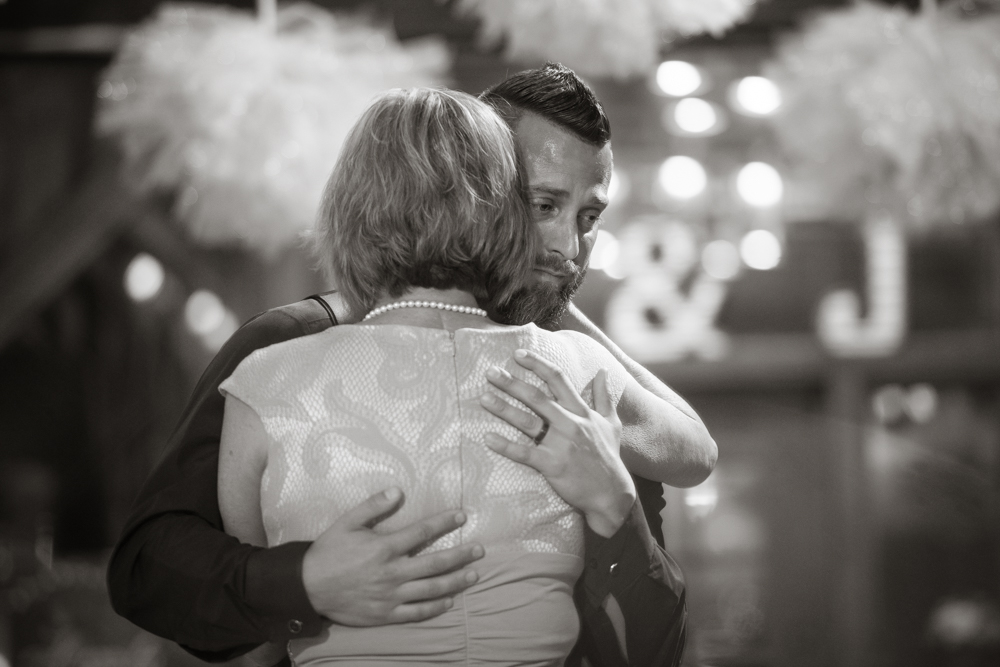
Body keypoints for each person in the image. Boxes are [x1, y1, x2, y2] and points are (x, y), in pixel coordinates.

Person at [107, 64, 715, 666]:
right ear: (474, 188)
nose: (566, 249)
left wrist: (554, 320)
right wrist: (300, 583)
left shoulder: (578, 383)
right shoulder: (289, 348)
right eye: (543, 204)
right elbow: (152, 570)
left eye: (589, 217)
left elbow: (691, 460)